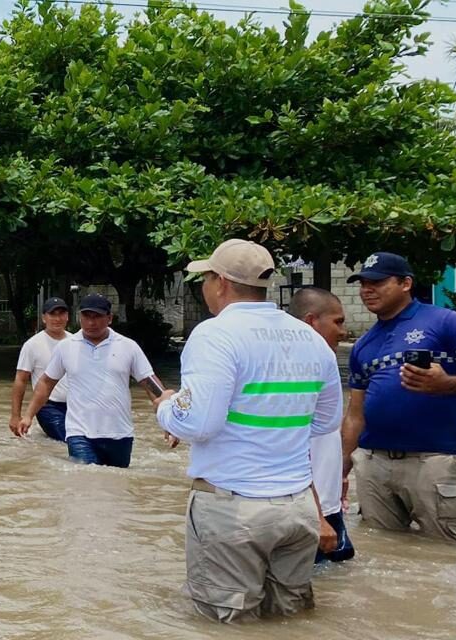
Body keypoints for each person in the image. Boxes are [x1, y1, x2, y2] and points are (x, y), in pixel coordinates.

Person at [154, 239, 341, 622]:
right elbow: (325, 421)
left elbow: (200, 423)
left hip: (233, 507)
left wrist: (167, 407)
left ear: (220, 282)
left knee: (229, 624)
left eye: (204, 278)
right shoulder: (310, 336)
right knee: (290, 620)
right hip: (298, 509)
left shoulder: (214, 334)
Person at [341, 252, 456, 545]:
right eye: (362, 284)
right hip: (374, 464)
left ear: (406, 283)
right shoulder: (364, 344)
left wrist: (448, 383)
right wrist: (342, 466)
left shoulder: (447, 323)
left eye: (377, 282)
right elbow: (355, 413)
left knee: (448, 552)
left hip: (435, 460)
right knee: (383, 551)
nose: (366, 290)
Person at [15, 294, 162, 468]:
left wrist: (168, 416)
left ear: (109, 318)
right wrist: (28, 416)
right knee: (85, 482)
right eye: (86, 317)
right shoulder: (67, 347)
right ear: (79, 317)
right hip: (80, 433)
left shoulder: (127, 346)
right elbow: (46, 383)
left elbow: (148, 381)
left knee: (116, 487)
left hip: (119, 433)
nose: (91, 323)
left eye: (97, 317)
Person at [287, 287, 356, 563]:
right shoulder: (293, 372)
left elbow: (324, 437)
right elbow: (293, 446)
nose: (343, 331)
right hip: (310, 508)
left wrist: (339, 475)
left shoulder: (319, 363)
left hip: (324, 503)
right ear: (311, 322)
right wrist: (317, 516)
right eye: (337, 322)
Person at [10, 297, 72, 441]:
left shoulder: (76, 342)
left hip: (75, 404)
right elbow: (21, 380)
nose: (57, 319)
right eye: (52, 314)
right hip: (47, 406)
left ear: (67, 317)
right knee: (68, 440)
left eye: (61, 314)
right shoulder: (32, 345)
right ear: (44, 318)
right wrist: (15, 416)